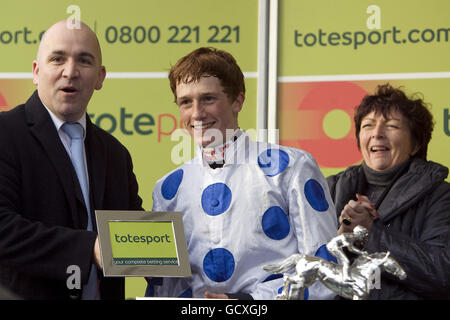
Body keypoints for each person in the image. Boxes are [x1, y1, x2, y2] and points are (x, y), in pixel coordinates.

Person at [146, 47, 338, 300]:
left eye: (208, 99)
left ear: (238, 100)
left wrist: (245, 303)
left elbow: (323, 272)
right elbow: (165, 289)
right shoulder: (168, 188)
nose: (196, 113)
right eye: (185, 102)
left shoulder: (293, 167)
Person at [0, 20, 143, 299]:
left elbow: (133, 234)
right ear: (36, 71)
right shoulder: (5, 134)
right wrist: (89, 248)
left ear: (100, 77)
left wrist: (160, 256)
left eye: (84, 61)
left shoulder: (116, 154)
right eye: (57, 59)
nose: (70, 71)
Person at [327, 83, 450, 299]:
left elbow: (441, 273)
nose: (377, 134)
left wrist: (371, 234)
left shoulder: (440, 196)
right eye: (368, 126)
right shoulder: (329, 189)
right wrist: (336, 242)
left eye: (391, 126)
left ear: (415, 144)